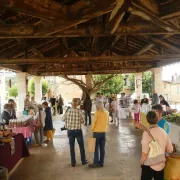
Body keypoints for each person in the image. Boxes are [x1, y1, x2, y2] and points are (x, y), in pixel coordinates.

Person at [140, 111, 173, 180]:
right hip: (161, 163)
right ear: (157, 119)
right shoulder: (163, 132)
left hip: (149, 164)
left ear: (147, 120)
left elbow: (144, 153)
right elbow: (170, 149)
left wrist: (142, 162)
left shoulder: (146, 133)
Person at [63, 98, 88, 167]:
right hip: (78, 131)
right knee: (81, 146)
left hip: (70, 131)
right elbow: (83, 122)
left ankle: (73, 162)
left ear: (71, 104)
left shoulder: (68, 111)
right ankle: (83, 161)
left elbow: (62, 119)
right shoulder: (79, 111)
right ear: (77, 104)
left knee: (71, 147)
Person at [89, 102, 109, 168]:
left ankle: (95, 163)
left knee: (95, 148)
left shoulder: (97, 112)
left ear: (98, 106)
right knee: (102, 149)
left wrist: (92, 130)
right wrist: (105, 129)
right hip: (103, 133)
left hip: (97, 133)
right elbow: (108, 123)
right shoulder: (107, 112)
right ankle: (101, 163)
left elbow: (94, 122)